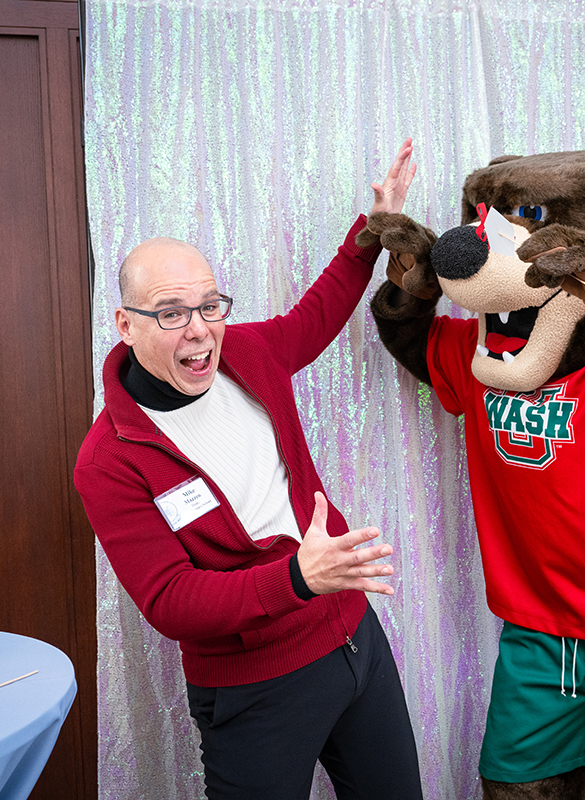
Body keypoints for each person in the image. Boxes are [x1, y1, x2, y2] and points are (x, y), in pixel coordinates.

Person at [74, 140, 422, 799]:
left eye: (209, 306)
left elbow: (313, 317)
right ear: (125, 324)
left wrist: (374, 230)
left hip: (354, 637)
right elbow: (171, 601)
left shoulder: (250, 354)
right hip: (255, 687)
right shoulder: (110, 459)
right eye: (172, 314)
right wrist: (298, 577)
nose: (200, 330)